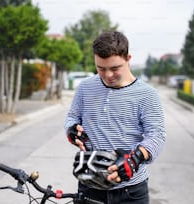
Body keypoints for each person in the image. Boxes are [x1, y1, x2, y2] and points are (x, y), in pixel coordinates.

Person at [64, 31, 166, 204]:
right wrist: (72, 130)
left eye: (115, 68)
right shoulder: (85, 88)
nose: (108, 75)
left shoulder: (147, 95)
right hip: (89, 184)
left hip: (131, 191)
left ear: (128, 58)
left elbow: (157, 135)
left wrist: (135, 159)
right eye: (101, 68)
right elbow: (72, 117)